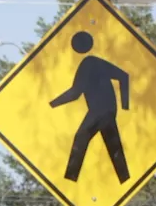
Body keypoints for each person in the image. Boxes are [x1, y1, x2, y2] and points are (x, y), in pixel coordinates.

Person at [49, 30, 131, 184]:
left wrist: (52, 104)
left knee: (81, 138)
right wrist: (123, 107)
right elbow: (123, 77)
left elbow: (75, 93)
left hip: (99, 111)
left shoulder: (89, 63)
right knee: (114, 147)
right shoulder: (93, 62)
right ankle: (125, 179)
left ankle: (70, 180)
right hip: (108, 111)